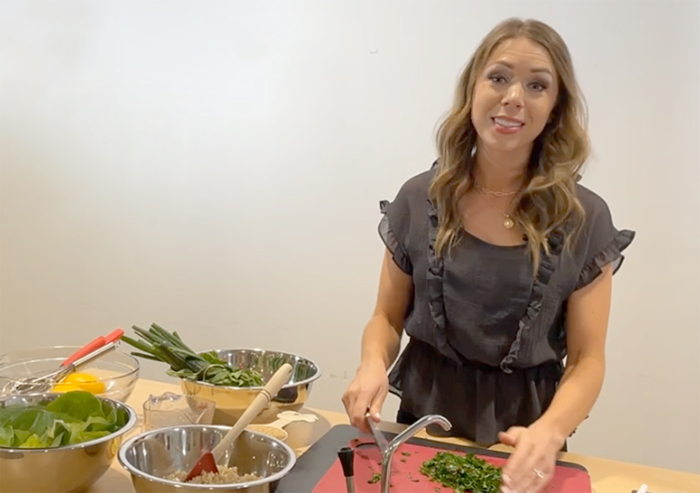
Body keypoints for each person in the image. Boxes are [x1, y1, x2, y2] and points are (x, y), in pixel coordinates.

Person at [341, 17, 635, 493]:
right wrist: (372, 362)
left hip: (524, 446)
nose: (514, 97)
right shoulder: (419, 198)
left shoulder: (585, 217)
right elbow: (386, 318)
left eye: (537, 85)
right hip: (419, 432)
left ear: (555, 107)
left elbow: (587, 360)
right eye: (498, 77)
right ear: (472, 88)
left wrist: (552, 430)